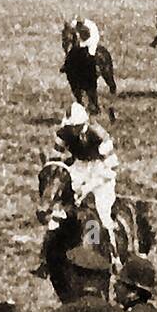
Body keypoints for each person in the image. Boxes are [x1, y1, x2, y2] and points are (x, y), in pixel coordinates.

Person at [48, 102, 120, 264]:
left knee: (102, 212)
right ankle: (48, 257)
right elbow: (55, 159)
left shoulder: (99, 135)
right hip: (78, 167)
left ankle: (115, 257)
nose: (72, 132)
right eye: (70, 128)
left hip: (100, 171)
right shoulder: (64, 133)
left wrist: (89, 187)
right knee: (59, 210)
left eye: (76, 127)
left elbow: (112, 166)